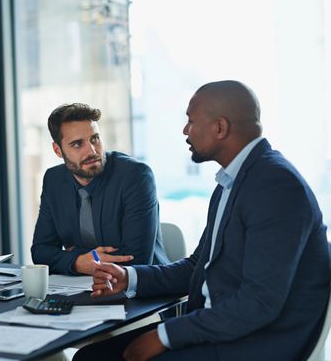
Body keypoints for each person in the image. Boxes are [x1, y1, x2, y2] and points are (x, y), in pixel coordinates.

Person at [74, 80, 330, 361]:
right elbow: (199, 266)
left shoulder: (275, 186)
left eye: (191, 121)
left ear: (220, 128)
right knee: (90, 356)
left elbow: (258, 303)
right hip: (221, 328)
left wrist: (165, 335)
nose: (185, 131)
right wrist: (130, 277)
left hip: (256, 343)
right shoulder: (232, 182)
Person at [31, 103, 169, 276]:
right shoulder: (54, 180)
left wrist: (77, 257)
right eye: (77, 144)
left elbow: (135, 259)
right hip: (81, 289)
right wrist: (77, 262)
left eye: (94, 139)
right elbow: (41, 252)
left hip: (143, 290)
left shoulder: (135, 176)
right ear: (58, 150)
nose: (91, 150)